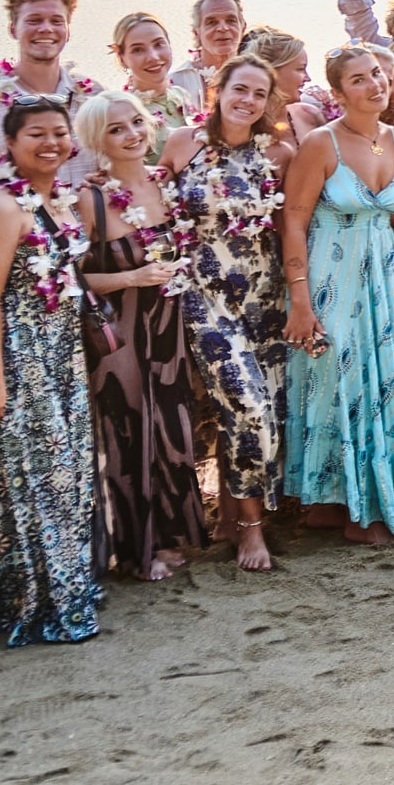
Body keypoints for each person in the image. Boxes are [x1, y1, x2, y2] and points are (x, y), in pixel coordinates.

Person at [279, 46, 394, 539]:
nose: (373, 85)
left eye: (377, 74)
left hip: (383, 280)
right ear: (337, 93)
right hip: (331, 276)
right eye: (358, 80)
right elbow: (293, 219)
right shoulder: (320, 144)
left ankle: (349, 502)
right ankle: (346, 507)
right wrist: (301, 301)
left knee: (383, 379)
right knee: (338, 381)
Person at [0, 96, 103, 645]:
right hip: (17, 355)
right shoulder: (1, 206)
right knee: (33, 477)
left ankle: (67, 586)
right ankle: (34, 599)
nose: (50, 143)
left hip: (61, 350)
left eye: (59, 133)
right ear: (7, 145)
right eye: (35, 135)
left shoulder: (58, 199)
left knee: (65, 474)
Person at [159, 57, 289, 570]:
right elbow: (153, 214)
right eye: (240, 89)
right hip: (204, 296)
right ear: (218, 89)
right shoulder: (180, 143)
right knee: (248, 404)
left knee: (256, 411)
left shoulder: (277, 152)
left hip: (263, 296)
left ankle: (235, 513)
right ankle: (251, 533)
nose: (248, 101)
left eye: (259, 94)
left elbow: (293, 220)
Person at [74, 92, 205, 581]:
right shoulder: (90, 200)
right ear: (96, 140)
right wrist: (131, 278)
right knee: (128, 433)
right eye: (116, 129)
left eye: (136, 123)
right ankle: (137, 549)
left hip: (170, 326)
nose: (131, 134)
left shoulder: (163, 183)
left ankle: (173, 537)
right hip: (122, 333)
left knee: (173, 427)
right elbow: (74, 279)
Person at [0, 0, 105, 175]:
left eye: (56, 21)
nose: (46, 28)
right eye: (34, 20)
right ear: (13, 29)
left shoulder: (93, 95)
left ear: (68, 30)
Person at [110, 11, 198, 149]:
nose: (153, 56)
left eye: (158, 44)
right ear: (122, 58)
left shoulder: (181, 95)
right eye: (138, 50)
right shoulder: (122, 112)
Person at [242, 26, 330, 145]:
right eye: (300, 69)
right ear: (271, 73)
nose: (308, 78)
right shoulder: (242, 128)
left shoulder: (309, 115)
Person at [170, 0, 246, 108]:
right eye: (212, 22)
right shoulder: (176, 82)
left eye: (231, 21)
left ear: (243, 27)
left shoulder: (260, 77)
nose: (223, 28)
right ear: (197, 32)